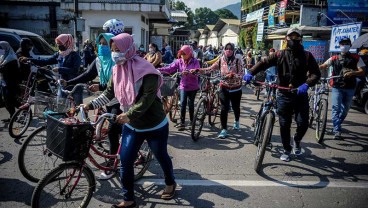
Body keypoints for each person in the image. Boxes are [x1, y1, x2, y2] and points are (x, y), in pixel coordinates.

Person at [81, 33, 176, 208]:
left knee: (161, 156)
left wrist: (129, 115)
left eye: (118, 50)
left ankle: (170, 183)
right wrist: (90, 105)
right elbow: (109, 94)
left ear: (128, 49)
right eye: (113, 50)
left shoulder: (147, 70)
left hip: (154, 125)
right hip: (132, 125)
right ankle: (129, 199)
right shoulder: (116, 70)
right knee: (125, 161)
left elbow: (147, 99)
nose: (115, 53)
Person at [244, 27, 321, 161]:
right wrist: (250, 72)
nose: (293, 39)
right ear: (286, 38)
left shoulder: (307, 55)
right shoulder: (280, 54)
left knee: (303, 123)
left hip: (300, 94)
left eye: (296, 37)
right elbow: (263, 63)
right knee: (284, 124)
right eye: (291, 37)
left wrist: (307, 84)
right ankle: (286, 149)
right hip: (283, 94)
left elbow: (316, 74)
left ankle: (297, 140)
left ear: (300, 39)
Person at [64, 33, 122, 180]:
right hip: (107, 99)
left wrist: (101, 87)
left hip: (121, 101)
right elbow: (88, 74)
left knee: (112, 131)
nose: (102, 46)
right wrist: (69, 82)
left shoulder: (118, 61)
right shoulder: (99, 60)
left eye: (105, 44)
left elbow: (117, 86)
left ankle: (112, 161)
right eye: (100, 43)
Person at [193, 42, 243, 139]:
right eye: (227, 48)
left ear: (233, 50)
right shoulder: (221, 60)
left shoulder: (238, 61)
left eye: (230, 49)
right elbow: (210, 69)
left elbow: (241, 74)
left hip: (236, 89)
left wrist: (233, 75)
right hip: (224, 87)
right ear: (224, 50)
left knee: (236, 107)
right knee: (224, 109)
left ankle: (236, 121)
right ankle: (224, 129)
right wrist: (198, 70)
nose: (228, 50)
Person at [319, 37, 365, 139]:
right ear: (339, 45)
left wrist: (352, 72)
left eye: (346, 43)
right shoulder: (334, 58)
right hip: (337, 86)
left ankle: (337, 123)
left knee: (345, 109)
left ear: (350, 45)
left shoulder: (356, 58)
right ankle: (337, 129)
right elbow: (324, 65)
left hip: (350, 87)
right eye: (342, 44)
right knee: (336, 108)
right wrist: (315, 69)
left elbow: (362, 71)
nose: (344, 45)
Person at [19, 34, 83, 105]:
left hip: (74, 84)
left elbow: (74, 70)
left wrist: (60, 69)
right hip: (62, 84)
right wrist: (29, 59)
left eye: (61, 44)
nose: (59, 46)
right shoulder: (59, 54)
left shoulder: (75, 56)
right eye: (58, 44)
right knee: (61, 107)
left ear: (67, 43)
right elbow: (46, 61)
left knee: (80, 107)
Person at [158, 45, 200, 130]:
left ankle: (192, 121)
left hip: (193, 86)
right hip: (183, 86)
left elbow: (197, 71)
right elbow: (170, 68)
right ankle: (182, 122)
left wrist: (191, 72)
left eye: (184, 54)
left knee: (191, 104)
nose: (182, 56)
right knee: (183, 103)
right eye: (181, 54)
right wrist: (159, 70)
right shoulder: (179, 61)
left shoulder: (195, 61)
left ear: (189, 53)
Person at [0, 41, 20, 121]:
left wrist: (2, 69)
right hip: (4, 82)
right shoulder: (3, 57)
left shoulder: (12, 58)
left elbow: (11, 71)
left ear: (6, 48)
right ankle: (12, 116)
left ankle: (26, 111)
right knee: (6, 100)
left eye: (1, 48)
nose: (1, 50)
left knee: (12, 100)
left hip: (11, 82)